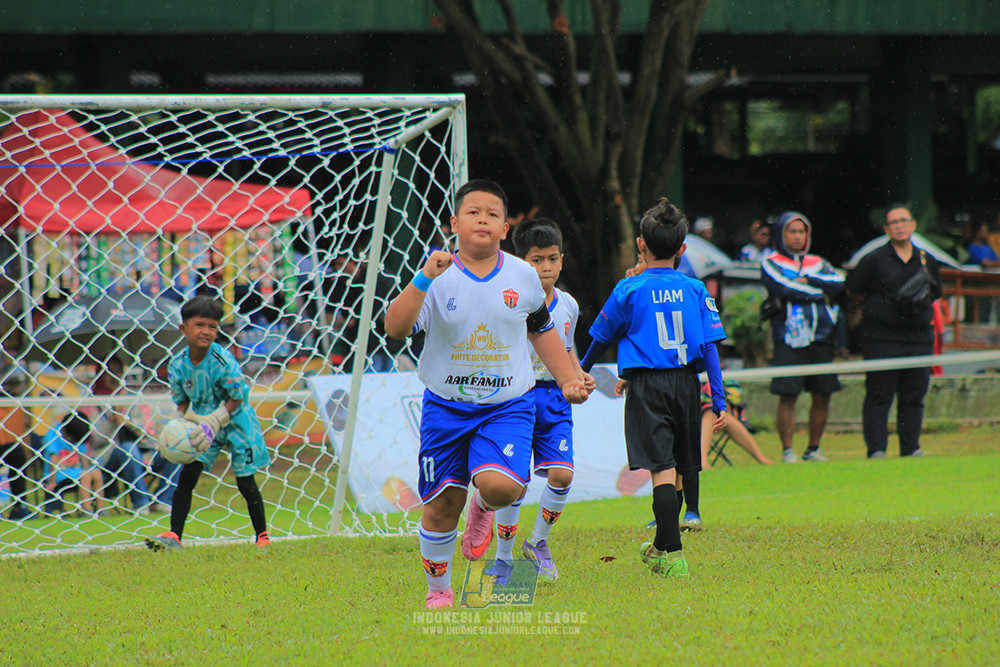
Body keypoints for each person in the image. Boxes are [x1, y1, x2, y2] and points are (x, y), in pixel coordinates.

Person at [384, 179, 591, 609]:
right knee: (442, 508)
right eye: (473, 212)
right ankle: (438, 590)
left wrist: (569, 376)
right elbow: (395, 329)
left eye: (492, 214)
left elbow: (542, 330)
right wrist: (423, 277)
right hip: (445, 407)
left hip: (508, 406)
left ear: (504, 228)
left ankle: (483, 507)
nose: (483, 219)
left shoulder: (523, 276)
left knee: (500, 487)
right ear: (455, 222)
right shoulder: (437, 278)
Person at [579, 198, 727, 578]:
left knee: (661, 470)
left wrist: (579, 371)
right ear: (682, 249)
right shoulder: (695, 289)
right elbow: (710, 346)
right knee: (677, 470)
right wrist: (720, 399)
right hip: (686, 384)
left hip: (648, 386)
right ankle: (661, 546)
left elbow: (600, 337)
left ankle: (674, 554)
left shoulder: (630, 289)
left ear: (640, 244)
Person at [484, 217, 585, 584]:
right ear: (520, 262)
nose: (546, 267)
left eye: (552, 259)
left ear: (562, 260)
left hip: (554, 399)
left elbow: (566, 350)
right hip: (517, 398)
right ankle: (504, 558)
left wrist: (576, 376)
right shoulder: (509, 302)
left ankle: (538, 541)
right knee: (515, 483)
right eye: (537, 259)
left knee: (562, 473)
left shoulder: (568, 305)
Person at [145, 295, 272, 550]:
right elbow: (181, 401)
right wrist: (176, 425)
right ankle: (174, 536)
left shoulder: (223, 361)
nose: (206, 332)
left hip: (236, 422)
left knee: (245, 481)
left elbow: (238, 396)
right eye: (200, 325)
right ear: (184, 328)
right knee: (187, 477)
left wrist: (217, 419)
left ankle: (262, 537)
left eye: (212, 327)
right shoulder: (178, 364)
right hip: (202, 425)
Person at [845, 205, 942, 459]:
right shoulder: (874, 259)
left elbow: (936, 292)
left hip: (919, 338)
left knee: (914, 395)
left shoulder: (926, 259)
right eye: (893, 223)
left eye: (903, 221)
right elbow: (853, 290)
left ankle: (911, 448)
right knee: (879, 395)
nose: (899, 226)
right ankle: (877, 450)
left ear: (913, 225)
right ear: (886, 229)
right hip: (881, 339)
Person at [760, 211, 845, 464]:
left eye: (801, 232)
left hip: (822, 337)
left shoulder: (818, 262)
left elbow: (839, 282)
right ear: (781, 234)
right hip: (789, 338)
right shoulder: (770, 261)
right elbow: (782, 287)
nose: (797, 236)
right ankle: (788, 451)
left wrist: (810, 279)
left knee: (822, 393)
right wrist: (819, 292)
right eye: (792, 231)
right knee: (788, 395)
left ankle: (814, 449)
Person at [93, 358, 179, 515]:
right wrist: (112, 422)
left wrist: (129, 423)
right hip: (107, 457)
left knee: (177, 450)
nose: (113, 376)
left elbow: (149, 433)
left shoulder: (132, 399)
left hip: (142, 452)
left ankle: (163, 499)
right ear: (99, 374)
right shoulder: (90, 402)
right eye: (108, 371)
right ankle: (141, 503)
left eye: (117, 371)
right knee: (128, 449)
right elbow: (93, 440)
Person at [41, 411, 104, 516]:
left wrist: (87, 469)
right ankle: (87, 510)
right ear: (65, 431)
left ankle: (100, 508)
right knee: (86, 475)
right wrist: (52, 483)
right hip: (58, 474)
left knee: (96, 473)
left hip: (77, 470)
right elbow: (53, 459)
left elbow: (83, 456)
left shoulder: (78, 435)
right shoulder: (53, 434)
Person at [699, 380, 772, 470]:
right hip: (696, 411)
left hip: (720, 409)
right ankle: (702, 462)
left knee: (718, 414)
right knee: (713, 413)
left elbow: (733, 393)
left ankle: (761, 458)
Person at [1, 367, 33, 521]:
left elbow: (23, 429)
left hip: (10, 443)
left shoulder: (16, 405)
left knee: (18, 460)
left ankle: (19, 506)